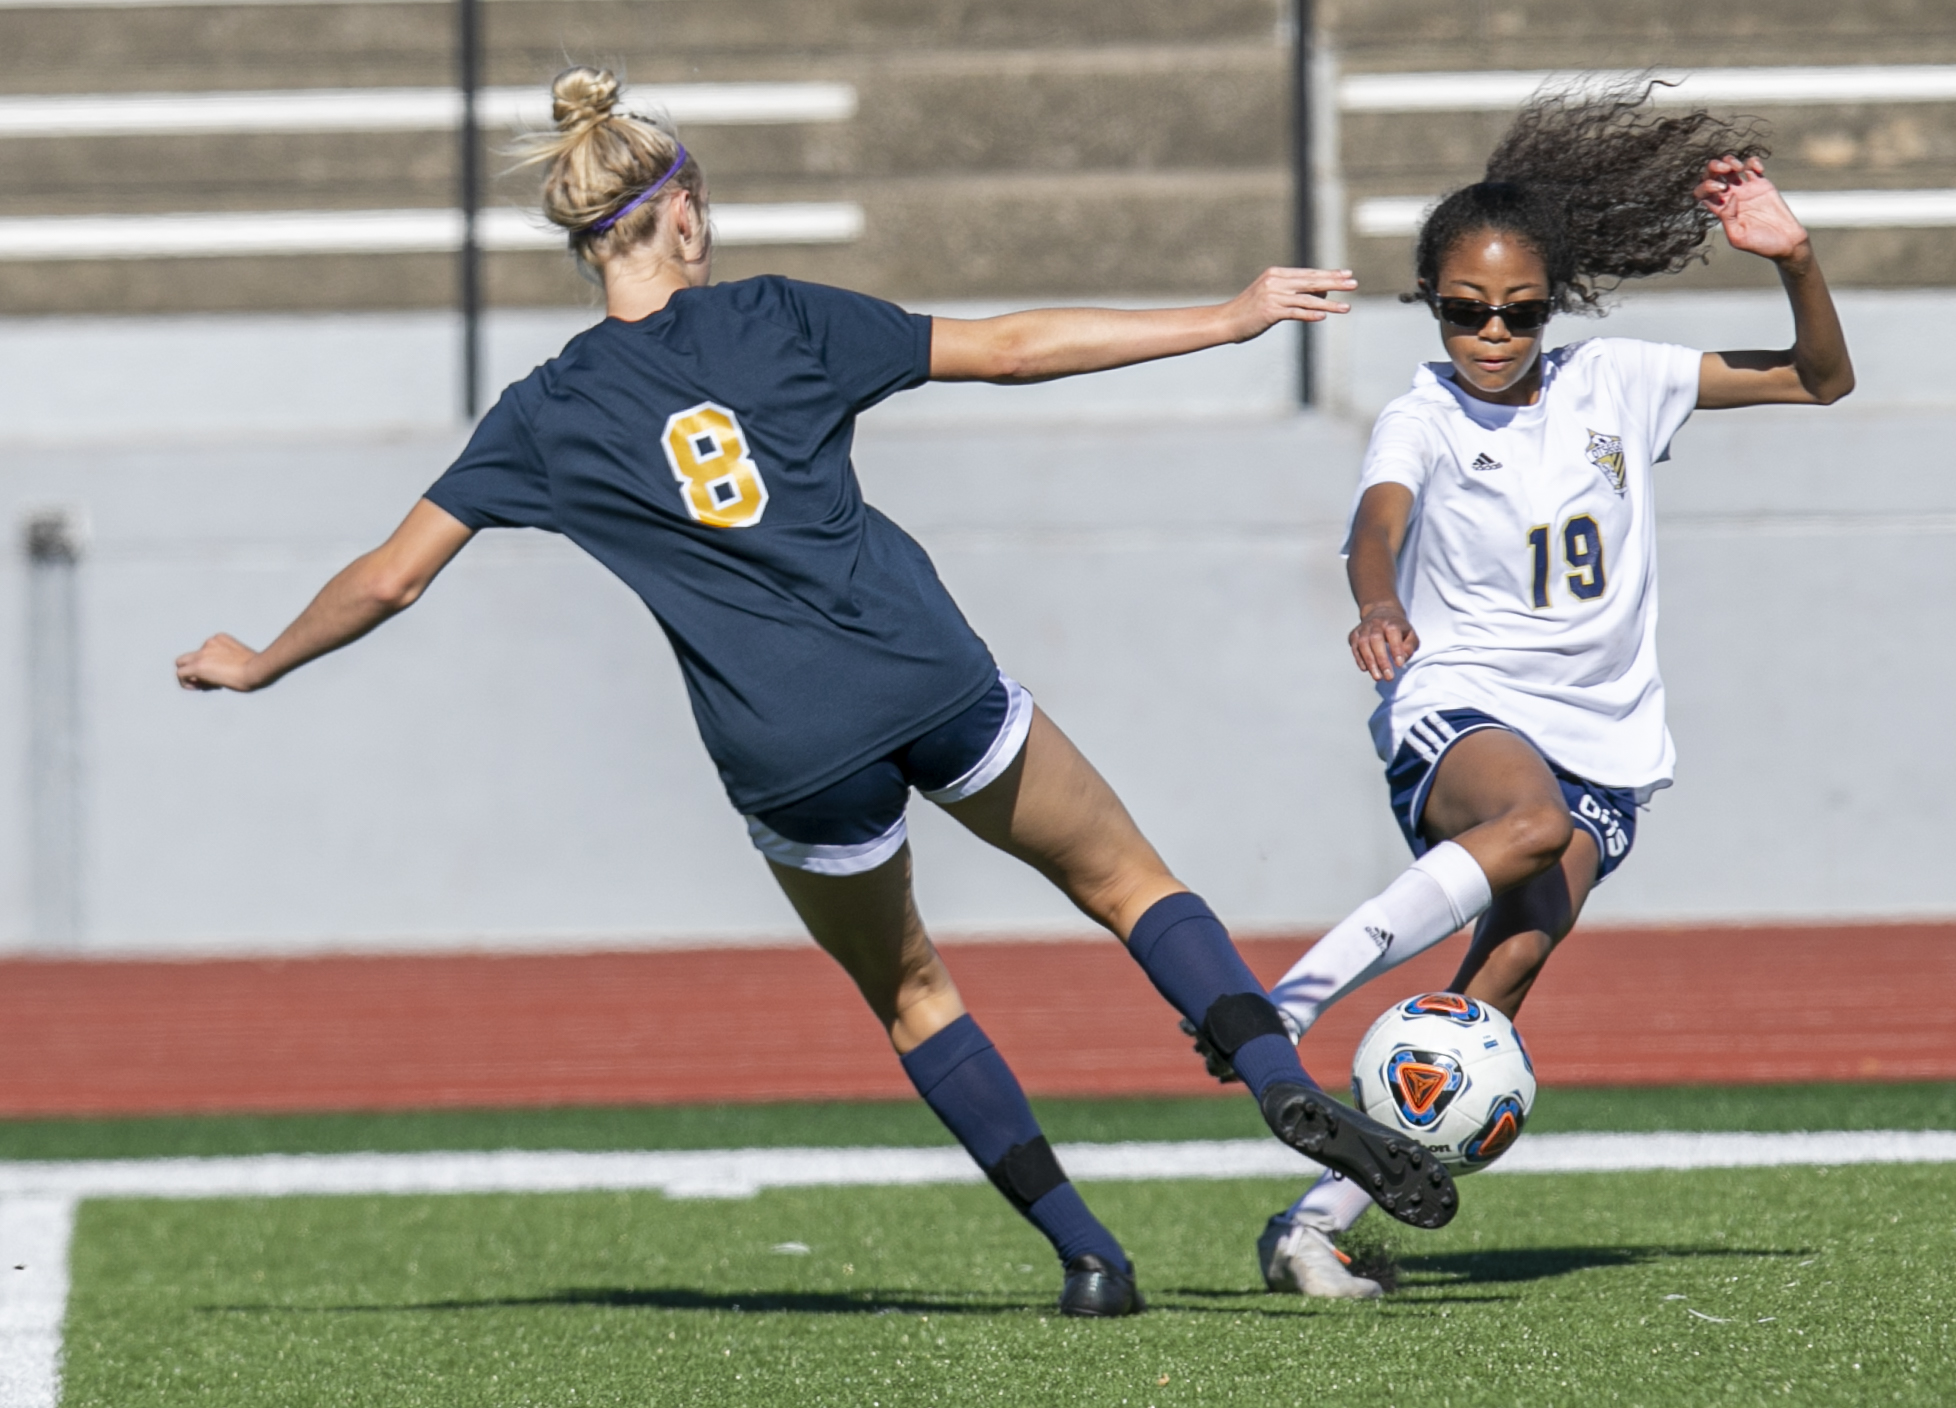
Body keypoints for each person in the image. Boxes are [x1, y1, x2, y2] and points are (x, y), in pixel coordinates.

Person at [175, 66, 1458, 1318]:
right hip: (922, 668)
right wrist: (1226, 317)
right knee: (1131, 885)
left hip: (783, 742)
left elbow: (394, 580)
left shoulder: (546, 411)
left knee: (913, 993)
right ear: (683, 213)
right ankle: (1277, 1080)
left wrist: (262, 657)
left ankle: (1087, 1255)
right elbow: (1009, 350)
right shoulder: (778, 317)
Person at [1196, 85, 1853, 1299]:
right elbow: (1375, 521)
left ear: (1556, 305)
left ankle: (1310, 1226)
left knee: (1490, 995)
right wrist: (1378, 602)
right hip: (1459, 698)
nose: (1490, 335)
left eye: (1518, 312)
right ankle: (1276, 1002)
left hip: (1607, 740)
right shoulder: (1423, 413)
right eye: (1462, 312)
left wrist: (1796, 257)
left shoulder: (1619, 381)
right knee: (1527, 823)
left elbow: (1821, 379)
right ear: (1429, 304)